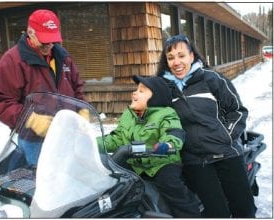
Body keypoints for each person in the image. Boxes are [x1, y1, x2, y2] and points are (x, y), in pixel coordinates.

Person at [156, 34, 256, 218]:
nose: (176, 62)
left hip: (226, 152)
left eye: (181, 55)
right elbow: (155, 117)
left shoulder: (212, 79)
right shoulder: (164, 89)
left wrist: (225, 136)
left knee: (245, 209)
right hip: (196, 160)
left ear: (192, 56)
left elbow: (238, 111)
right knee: (216, 214)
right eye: (170, 58)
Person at [0, 9, 87, 167]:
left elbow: (76, 86)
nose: (49, 45)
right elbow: (0, 101)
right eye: (44, 40)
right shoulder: (13, 60)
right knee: (39, 183)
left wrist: (82, 107)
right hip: (33, 142)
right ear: (30, 33)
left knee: (64, 180)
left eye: (52, 40)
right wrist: (30, 120)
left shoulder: (63, 56)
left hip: (66, 135)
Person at [97, 75, 201, 218]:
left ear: (155, 98)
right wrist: (90, 143)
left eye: (141, 91)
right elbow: (116, 138)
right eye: (136, 89)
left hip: (161, 162)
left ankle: (189, 214)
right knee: (109, 175)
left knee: (169, 184)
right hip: (136, 163)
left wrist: (167, 145)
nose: (135, 93)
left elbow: (174, 133)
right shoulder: (129, 115)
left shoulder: (165, 114)